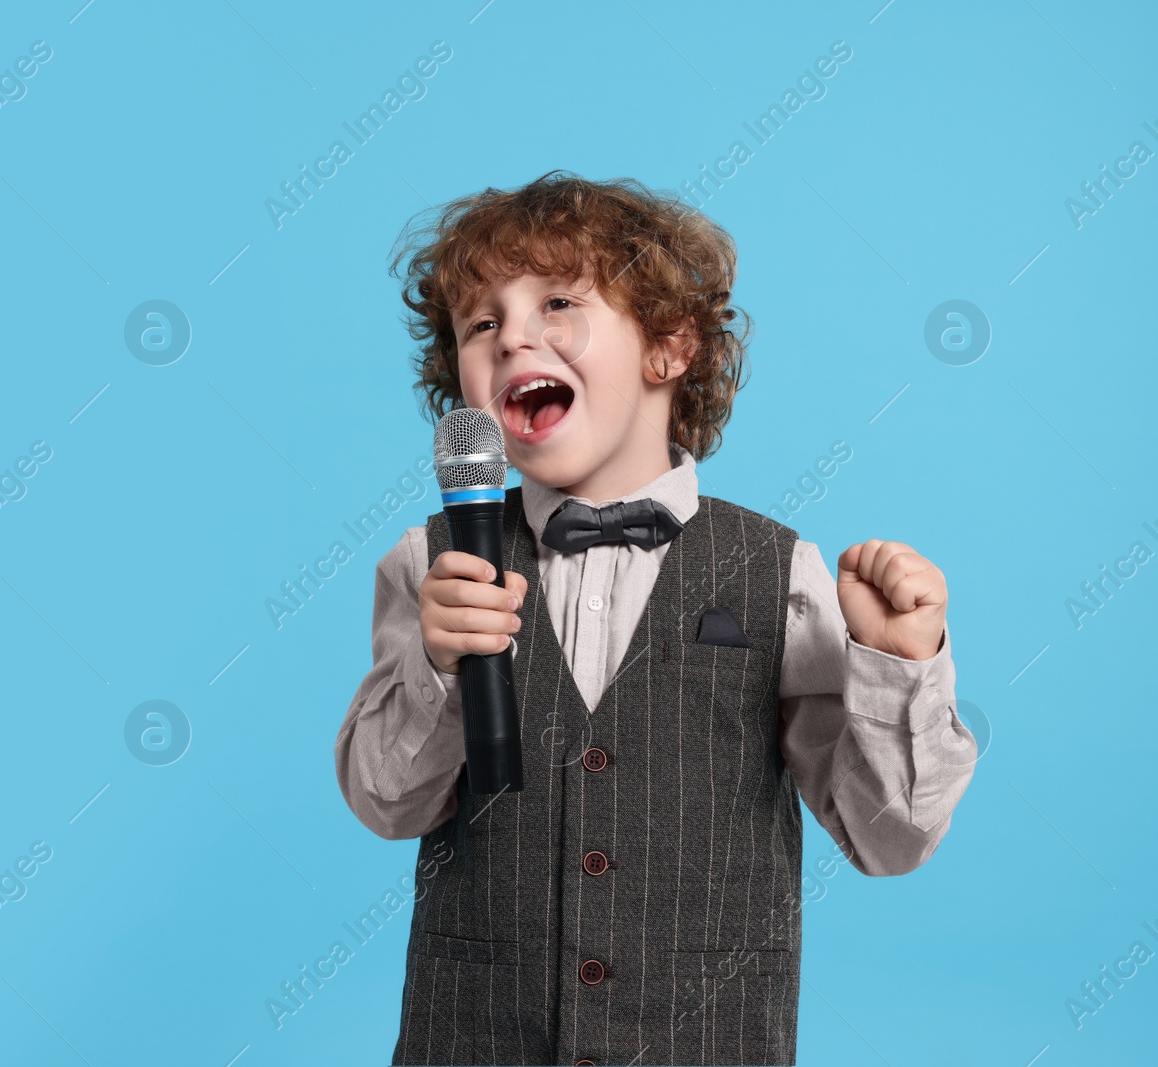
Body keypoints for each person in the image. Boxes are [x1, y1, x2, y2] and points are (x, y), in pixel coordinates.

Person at [333, 171, 977, 1066]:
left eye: (556, 302)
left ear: (669, 348)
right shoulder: (433, 562)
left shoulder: (778, 572)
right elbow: (385, 802)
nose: (514, 333)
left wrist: (894, 663)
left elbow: (891, 837)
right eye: (482, 322)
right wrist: (438, 670)